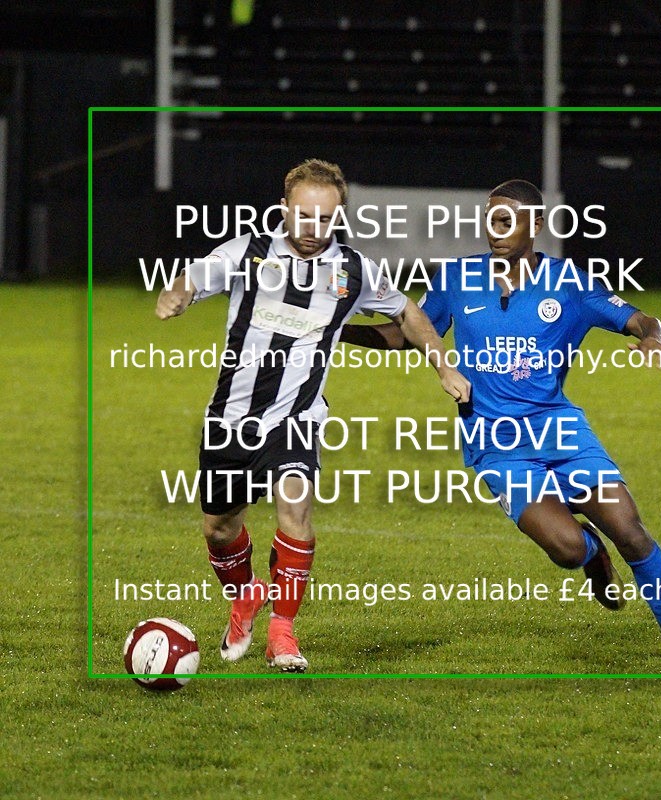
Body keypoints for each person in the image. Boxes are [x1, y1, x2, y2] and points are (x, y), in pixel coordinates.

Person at [341, 179, 661, 675]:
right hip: (496, 442)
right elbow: (404, 334)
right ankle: (592, 556)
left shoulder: (569, 283)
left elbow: (642, 319)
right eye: (491, 219)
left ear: (536, 224)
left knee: (632, 533)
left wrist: (653, 339)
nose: (496, 229)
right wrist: (336, 330)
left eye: (507, 220)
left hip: (560, 431)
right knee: (567, 546)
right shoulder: (457, 278)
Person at [155, 159, 470, 672]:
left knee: (295, 510)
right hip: (231, 418)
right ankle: (245, 596)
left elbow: (407, 313)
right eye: (303, 216)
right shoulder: (247, 252)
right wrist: (178, 293)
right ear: (284, 209)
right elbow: (194, 276)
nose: (313, 229)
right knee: (218, 528)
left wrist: (442, 366)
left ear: (338, 217)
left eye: (325, 219)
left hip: (299, 418)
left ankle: (284, 630)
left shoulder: (353, 270)